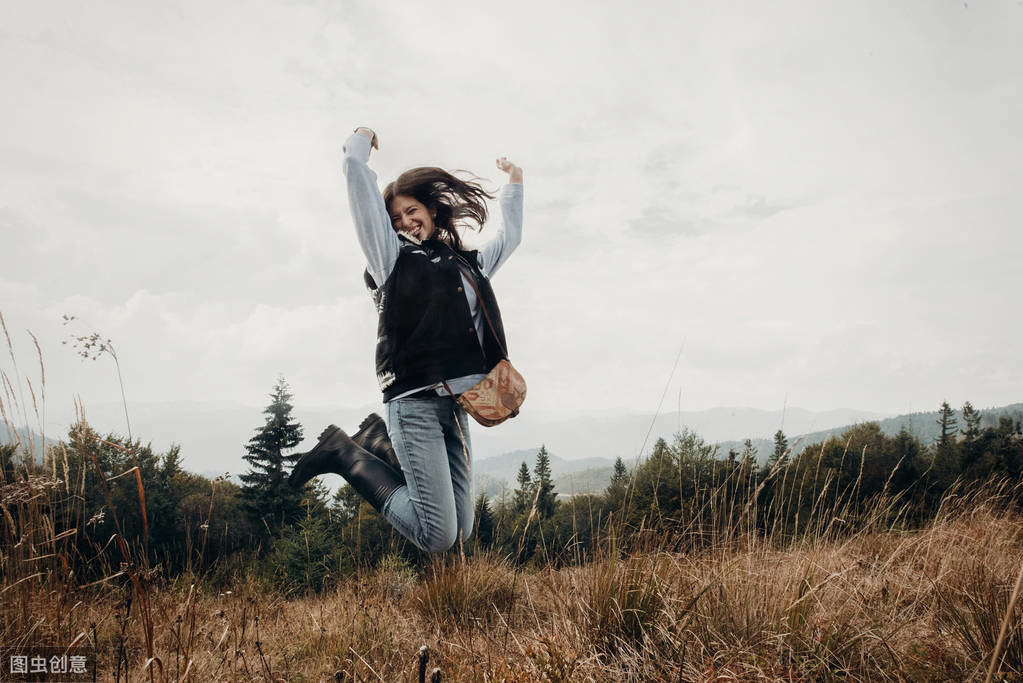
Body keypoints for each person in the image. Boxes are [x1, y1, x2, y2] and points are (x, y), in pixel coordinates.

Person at [289, 126, 523, 553]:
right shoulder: (390, 258)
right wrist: (359, 144)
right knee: (436, 536)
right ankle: (346, 455)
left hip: (456, 405)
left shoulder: (465, 263)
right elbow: (356, 182)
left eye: (411, 211)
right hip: (412, 401)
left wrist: (515, 183)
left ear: (432, 210)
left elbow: (510, 239)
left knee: (461, 531)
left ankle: (378, 442)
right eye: (396, 218)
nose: (405, 222)